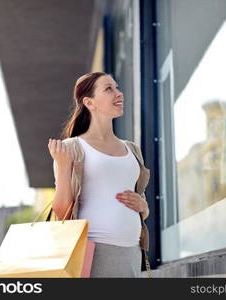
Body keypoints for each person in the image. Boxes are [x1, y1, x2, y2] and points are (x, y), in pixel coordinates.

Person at [47, 72, 150, 278]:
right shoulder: (71, 148)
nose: (118, 93)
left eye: (117, 87)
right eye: (108, 89)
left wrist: (143, 207)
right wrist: (63, 165)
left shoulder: (133, 150)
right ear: (89, 102)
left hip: (133, 251)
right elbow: (61, 212)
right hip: (94, 253)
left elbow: (143, 210)